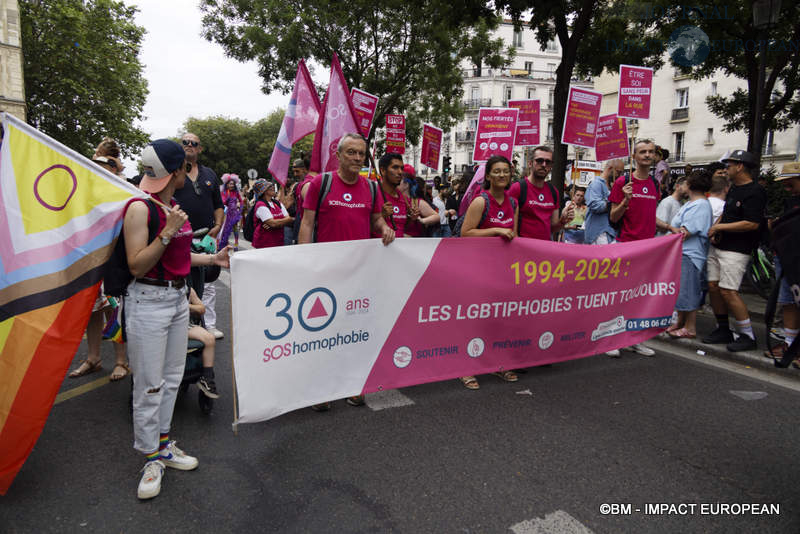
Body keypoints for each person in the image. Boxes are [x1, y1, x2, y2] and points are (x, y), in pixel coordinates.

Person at [123, 139, 230, 500]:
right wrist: (167, 231)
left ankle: (164, 445)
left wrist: (213, 260)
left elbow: (181, 259)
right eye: (185, 166)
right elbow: (137, 264)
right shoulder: (141, 208)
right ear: (178, 171)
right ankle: (150, 456)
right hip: (148, 301)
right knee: (149, 385)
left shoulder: (171, 205)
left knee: (170, 380)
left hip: (175, 299)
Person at [298, 133, 395, 409]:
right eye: (350, 152)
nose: (356, 158)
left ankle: (353, 384)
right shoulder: (322, 183)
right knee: (323, 330)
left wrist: (384, 228)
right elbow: (307, 223)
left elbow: (375, 219)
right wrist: (304, 260)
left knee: (356, 328)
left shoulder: (372, 188)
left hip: (359, 273)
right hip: (325, 271)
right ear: (338, 155)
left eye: (360, 154)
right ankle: (320, 389)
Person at [458, 154, 519, 389]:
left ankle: (498, 364)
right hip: (478, 271)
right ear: (489, 176)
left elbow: (514, 236)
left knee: (499, 320)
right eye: (497, 171)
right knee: (475, 321)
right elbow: (466, 233)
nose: (502, 175)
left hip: (502, 271)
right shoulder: (480, 202)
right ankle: (465, 368)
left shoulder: (513, 203)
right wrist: (495, 230)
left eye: (506, 171)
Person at [701, 150, 767, 352]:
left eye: (729, 165)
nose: (725, 169)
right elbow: (727, 213)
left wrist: (719, 228)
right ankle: (723, 328)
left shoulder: (755, 191)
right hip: (719, 245)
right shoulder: (733, 189)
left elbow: (752, 224)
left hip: (736, 249)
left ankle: (747, 335)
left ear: (740, 166)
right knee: (713, 286)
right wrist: (716, 227)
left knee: (729, 291)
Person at [607, 139, 659, 357]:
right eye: (642, 152)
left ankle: (636, 339)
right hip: (626, 246)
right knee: (621, 296)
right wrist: (625, 201)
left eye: (650, 152)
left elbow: (651, 217)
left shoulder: (656, 184)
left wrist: (672, 230)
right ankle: (612, 340)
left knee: (640, 297)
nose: (647, 155)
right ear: (634, 157)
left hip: (648, 250)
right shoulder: (623, 182)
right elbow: (613, 217)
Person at [173, 132, 225, 340]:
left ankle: (208, 325)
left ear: (199, 148)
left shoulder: (209, 174)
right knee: (182, 280)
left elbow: (218, 204)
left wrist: (218, 225)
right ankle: (183, 326)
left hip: (205, 238)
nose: (189, 145)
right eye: (185, 142)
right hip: (179, 236)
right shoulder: (173, 172)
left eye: (194, 143)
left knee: (209, 283)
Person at [665, 170, 714, 338]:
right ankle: (680, 322)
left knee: (689, 290)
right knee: (682, 289)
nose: (682, 186)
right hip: (683, 253)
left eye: (685, 183)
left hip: (690, 254)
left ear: (691, 186)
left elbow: (686, 231)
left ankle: (690, 327)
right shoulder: (690, 204)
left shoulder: (700, 205)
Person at [765, 162, 800, 364]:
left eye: (790, 183)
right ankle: (789, 343)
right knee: (788, 301)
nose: (787, 188)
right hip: (785, 258)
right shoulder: (790, 202)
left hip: (796, 259)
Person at [508, 146, 574, 240]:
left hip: (544, 249)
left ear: (551, 166)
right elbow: (510, 229)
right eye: (539, 161)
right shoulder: (517, 188)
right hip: (523, 250)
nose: (544, 165)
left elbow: (552, 228)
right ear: (530, 163)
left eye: (548, 162)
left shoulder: (553, 191)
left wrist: (563, 221)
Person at [187, 287, 218, 399]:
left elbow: (201, 308)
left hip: (184, 325)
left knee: (209, 338)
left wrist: (187, 306)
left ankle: (207, 377)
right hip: (162, 325)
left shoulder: (188, 289)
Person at [585, 159, 625, 245]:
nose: (619, 175)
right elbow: (595, 205)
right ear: (610, 168)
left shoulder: (610, 186)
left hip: (610, 231)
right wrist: (614, 203)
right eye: (618, 172)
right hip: (599, 232)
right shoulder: (596, 184)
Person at [252, 179, 293, 248]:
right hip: (264, 243)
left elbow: (287, 218)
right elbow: (273, 223)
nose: (273, 188)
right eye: (269, 187)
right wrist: (287, 220)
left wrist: (277, 223)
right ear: (263, 191)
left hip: (278, 241)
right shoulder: (260, 205)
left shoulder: (277, 203)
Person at [376, 152, 409, 238]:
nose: (400, 172)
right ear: (383, 170)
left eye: (402, 168)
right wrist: (381, 216)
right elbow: (363, 225)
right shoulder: (372, 194)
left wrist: (412, 218)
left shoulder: (404, 199)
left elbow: (403, 227)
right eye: (395, 167)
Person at [218, 173, 243, 251]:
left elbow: (241, 201)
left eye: (233, 184)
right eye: (230, 184)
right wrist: (227, 199)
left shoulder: (236, 192)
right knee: (226, 229)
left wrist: (240, 210)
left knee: (235, 228)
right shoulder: (224, 192)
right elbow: (222, 202)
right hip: (226, 214)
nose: (232, 185)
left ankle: (236, 243)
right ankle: (225, 243)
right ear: (226, 184)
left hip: (234, 213)